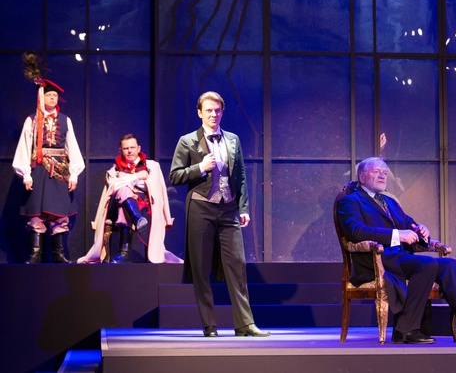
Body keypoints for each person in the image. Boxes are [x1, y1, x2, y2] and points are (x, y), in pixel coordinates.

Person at [337, 157, 456, 344]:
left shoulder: (389, 201)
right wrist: (398, 235)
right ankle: (406, 330)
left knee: (450, 265)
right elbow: (357, 232)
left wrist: (421, 230)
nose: (382, 175)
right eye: (376, 172)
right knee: (427, 264)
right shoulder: (350, 201)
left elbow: (409, 223)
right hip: (378, 261)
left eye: (384, 172)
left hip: (400, 258)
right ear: (362, 177)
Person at [169, 91, 269, 338]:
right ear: (199, 113)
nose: (213, 114)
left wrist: (243, 208)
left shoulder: (233, 140)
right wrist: (199, 168)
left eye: (217, 110)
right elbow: (175, 175)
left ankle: (245, 324)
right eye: (209, 110)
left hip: (228, 209)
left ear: (222, 112)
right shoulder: (187, 141)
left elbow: (241, 176)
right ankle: (209, 325)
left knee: (237, 265)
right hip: (200, 207)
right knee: (201, 268)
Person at [78, 134, 183, 264]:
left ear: (139, 148)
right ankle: (137, 219)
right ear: (120, 150)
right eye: (126, 148)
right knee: (123, 191)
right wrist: (139, 177)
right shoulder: (114, 169)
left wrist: (131, 178)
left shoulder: (152, 166)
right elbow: (115, 186)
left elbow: (151, 185)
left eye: (132, 147)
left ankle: (124, 252)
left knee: (123, 198)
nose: (129, 151)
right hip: (117, 205)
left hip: (146, 203)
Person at [13, 78, 84, 264]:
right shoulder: (32, 120)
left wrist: (74, 174)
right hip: (38, 169)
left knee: (58, 212)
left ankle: (58, 254)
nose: (53, 98)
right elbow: (24, 146)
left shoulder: (65, 120)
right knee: (36, 212)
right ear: (41, 97)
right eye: (49, 95)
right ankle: (35, 254)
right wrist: (26, 174)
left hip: (59, 170)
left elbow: (72, 146)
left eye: (55, 95)